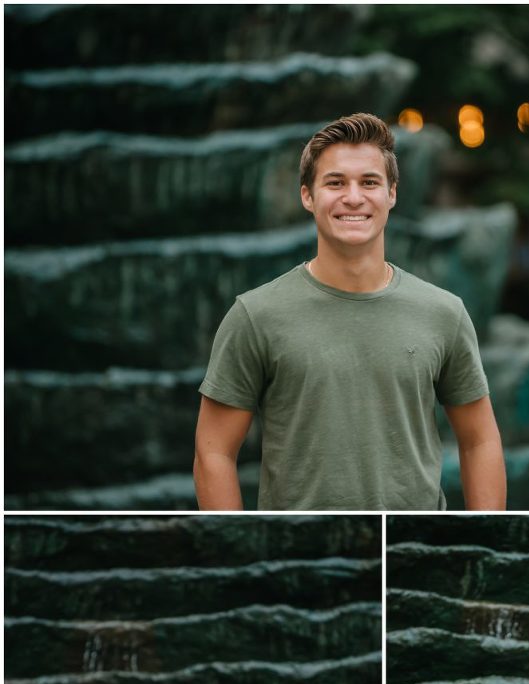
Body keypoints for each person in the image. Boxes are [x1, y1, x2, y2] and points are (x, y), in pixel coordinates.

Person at [194, 111, 506, 512]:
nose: (354, 197)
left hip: (412, 557)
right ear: (308, 196)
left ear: (392, 194)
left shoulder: (443, 312)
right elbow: (213, 452)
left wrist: (482, 544)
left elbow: (480, 440)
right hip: (302, 562)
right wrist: (240, 560)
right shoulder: (255, 315)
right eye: (335, 182)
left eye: (370, 182)